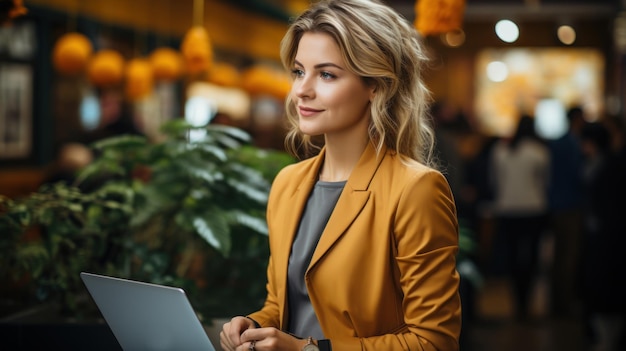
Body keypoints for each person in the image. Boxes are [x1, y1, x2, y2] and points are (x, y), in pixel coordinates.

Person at [220, 1, 462, 350]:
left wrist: (307, 350)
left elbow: (433, 341)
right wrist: (254, 325)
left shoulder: (415, 189)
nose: (302, 90)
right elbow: (284, 305)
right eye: (299, 71)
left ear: (376, 85)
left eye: (327, 74)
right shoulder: (288, 183)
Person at [489, 114, 550, 321]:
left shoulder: (501, 151)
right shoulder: (539, 152)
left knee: (512, 256)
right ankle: (527, 304)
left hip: (507, 208)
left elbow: (495, 180)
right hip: (534, 208)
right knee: (532, 257)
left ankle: (516, 304)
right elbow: (545, 183)